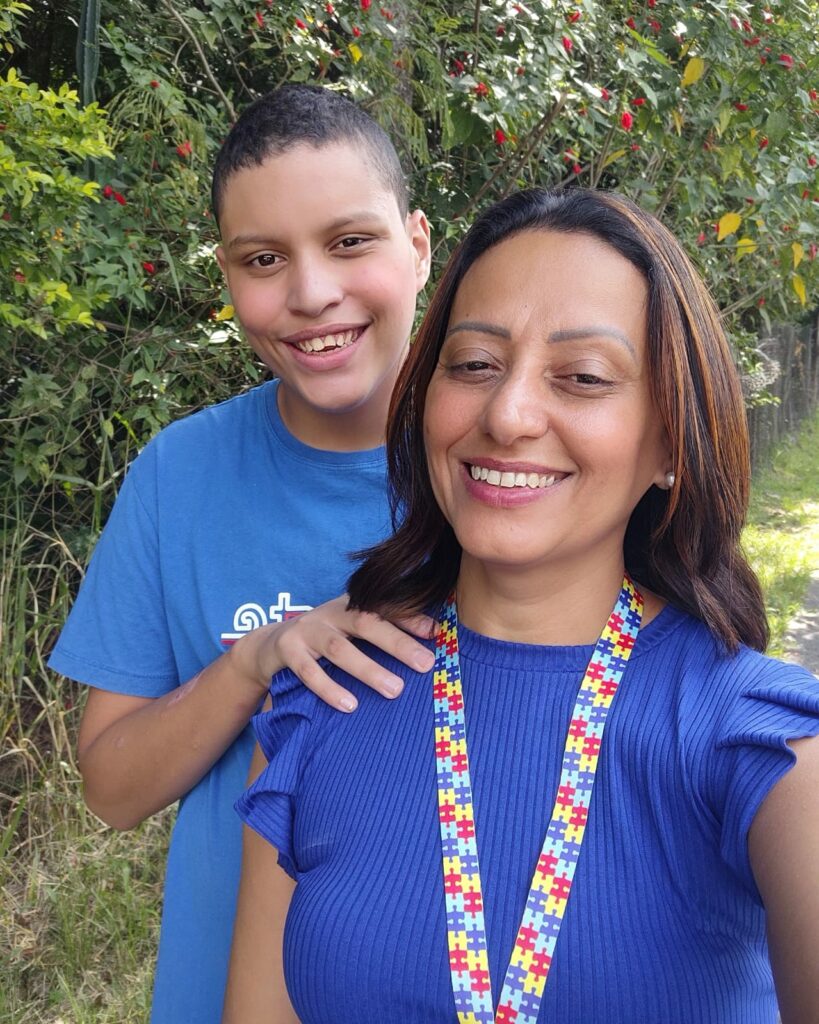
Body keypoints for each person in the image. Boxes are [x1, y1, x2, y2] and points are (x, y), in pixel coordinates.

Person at [226, 187, 819, 1024]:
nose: (506, 415)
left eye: (582, 377)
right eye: (473, 364)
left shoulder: (764, 747)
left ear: (670, 442)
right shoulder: (320, 701)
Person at [47, 84, 437, 1023]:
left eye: (350, 241)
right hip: (217, 984)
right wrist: (256, 662)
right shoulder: (178, 474)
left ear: (418, 243)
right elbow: (111, 791)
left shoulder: (504, 469)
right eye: (264, 259)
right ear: (226, 273)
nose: (310, 293)